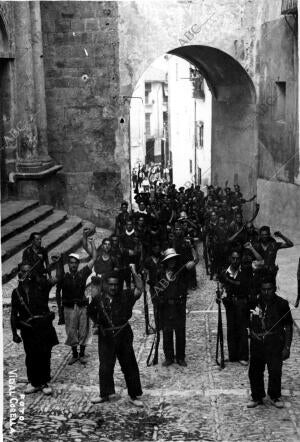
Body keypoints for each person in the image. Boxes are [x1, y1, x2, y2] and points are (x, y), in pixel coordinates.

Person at [87, 268, 144, 407]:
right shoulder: (98, 298)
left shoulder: (125, 296)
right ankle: (105, 394)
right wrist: (100, 324)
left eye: (116, 284)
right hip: (106, 336)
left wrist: (133, 272)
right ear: (106, 284)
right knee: (105, 366)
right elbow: (91, 313)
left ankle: (133, 395)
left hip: (123, 334)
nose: (113, 287)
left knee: (129, 365)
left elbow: (139, 289)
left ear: (119, 285)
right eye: (110, 284)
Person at [10, 262, 59, 395]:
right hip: (28, 329)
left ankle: (44, 382)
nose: (26, 274)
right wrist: (14, 333)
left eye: (28, 271)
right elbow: (14, 314)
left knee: (44, 354)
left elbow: (56, 278)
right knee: (31, 356)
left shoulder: (40, 287)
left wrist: (58, 262)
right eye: (23, 271)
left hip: (43, 327)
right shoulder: (16, 292)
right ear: (19, 274)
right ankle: (34, 382)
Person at [247, 277, 293, 408]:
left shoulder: (282, 304)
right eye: (264, 290)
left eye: (269, 289)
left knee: (275, 370)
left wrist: (287, 347)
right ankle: (257, 396)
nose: (266, 293)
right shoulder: (254, 302)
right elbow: (246, 320)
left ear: (274, 289)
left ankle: (274, 395)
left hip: (274, 343)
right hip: (257, 343)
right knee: (255, 371)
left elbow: (288, 327)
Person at [56, 231, 97, 365]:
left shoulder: (83, 273)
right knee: (71, 331)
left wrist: (91, 243)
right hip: (69, 307)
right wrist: (60, 312)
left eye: (75, 263)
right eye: (71, 263)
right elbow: (58, 293)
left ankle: (82, 354)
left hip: (82, 306)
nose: (73, 265)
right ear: (68, 264)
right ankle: (74, 354)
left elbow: (94, 258)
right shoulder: (64, 277)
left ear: (78, 264)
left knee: (84, 329)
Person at [155, 248, 196, 367]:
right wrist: (159, 300)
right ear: (166, 261)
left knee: (180, 332)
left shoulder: (181, 272)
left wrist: (192, 250)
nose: (172, 262)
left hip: (179, 306)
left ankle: (180, 357)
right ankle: (169, 357)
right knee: (167, 332)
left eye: (173, 259)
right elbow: (156, 289)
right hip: (166, 306)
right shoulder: (161, 274)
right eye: (169, 260)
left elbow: (194, 262)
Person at [220, 250, 250, 365]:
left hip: (241, 302)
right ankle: (233, 355)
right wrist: (219, 293)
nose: (235, 261)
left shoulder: (245, 271)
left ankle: (243, 356)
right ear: (230, 258)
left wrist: (226, 279)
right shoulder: (225, 271)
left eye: (237, 258)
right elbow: (222, 286)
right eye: (233, 258)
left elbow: (240, 285)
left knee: (242, 329)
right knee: (231, 328)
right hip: (230, 303)